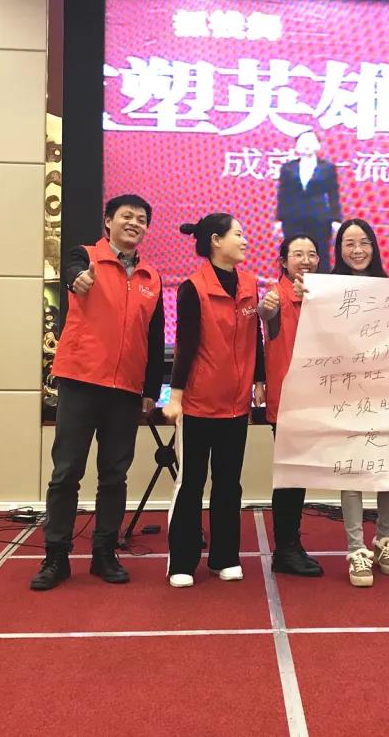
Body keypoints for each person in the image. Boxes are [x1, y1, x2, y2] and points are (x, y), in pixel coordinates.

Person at [31, 194, 165, 591]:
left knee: (114, 475)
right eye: (127, 216)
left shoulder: (152, 277)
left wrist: (150, 389)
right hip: (81, 381)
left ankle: (104, 552)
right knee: (66, 473)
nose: (134, 223)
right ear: (108, 221)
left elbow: (155, 338)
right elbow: (71, 272)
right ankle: (56, 556)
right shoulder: (84, 256)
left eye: (141, 219)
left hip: (125, 390)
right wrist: (78, 278)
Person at [162, 213, 265, 588]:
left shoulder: (250, 284)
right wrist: (175, 397)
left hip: (236, 405)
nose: (245, 240)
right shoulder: (193, 288)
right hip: (198, 404)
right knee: (191, 483)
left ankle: (225, 557)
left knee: (228, 483)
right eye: (239, 233)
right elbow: (185, 346)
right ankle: (182, 561)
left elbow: (255, 336)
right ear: (216, 241)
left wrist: (259, 379)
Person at [302, 218, 389, 587]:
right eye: (349, 244)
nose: (357, 250)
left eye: (364, 243)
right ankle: (357, 548)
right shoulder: (326, 289)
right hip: (345, 393)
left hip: (386, 391)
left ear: (374, 246)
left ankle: (385, 540)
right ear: (339, 249)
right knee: (352, 469)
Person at [258, 234, 323, 577]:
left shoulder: (325, 297)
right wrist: (266, 309)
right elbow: (265, 314)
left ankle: (291, 544)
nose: (306, 260)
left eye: (312, 254)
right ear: (283, 262)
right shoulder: (275, 296)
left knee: (299, 475)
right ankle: (285, 548)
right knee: (289, 477)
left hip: (318, 399)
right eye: (298, 254)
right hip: (288, 402)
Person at [275, 129, 342, 273]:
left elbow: (333, 194)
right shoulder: (287, 168)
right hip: (292, 219)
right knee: (292, 253)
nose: (306, 145)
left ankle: (321, 284)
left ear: (318, 145)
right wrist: (279, 220)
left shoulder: (327, 168)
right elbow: (283, 195)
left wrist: (336, 219)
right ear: (296, 145)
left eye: (310, 141)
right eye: (302, 141)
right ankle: (291, 284)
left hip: (319, 219)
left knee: (320, 253)